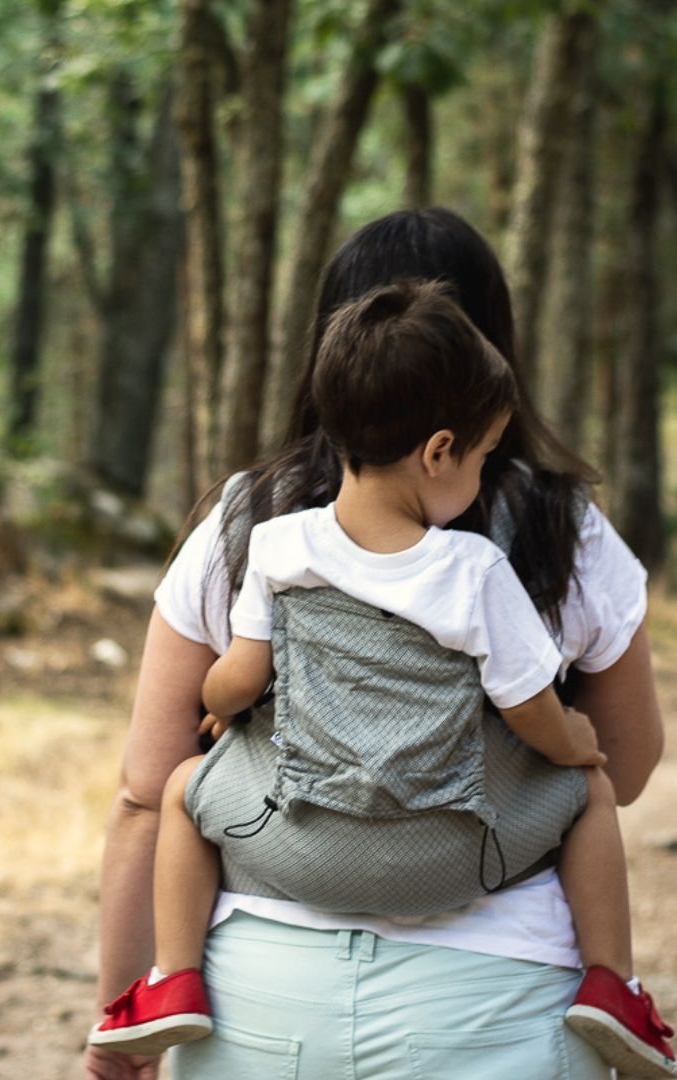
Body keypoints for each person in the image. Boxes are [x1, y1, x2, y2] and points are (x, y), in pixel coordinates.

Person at [86, 209, 666, 1080]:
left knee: (178, 791)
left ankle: (167, 990)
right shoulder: (556, 527)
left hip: (263, 995)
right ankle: (612, 988)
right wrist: (566, 745)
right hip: (498, 995)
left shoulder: (254, 522)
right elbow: (627, 765)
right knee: (581, 787)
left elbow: (144, 792)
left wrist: (117, 1014)